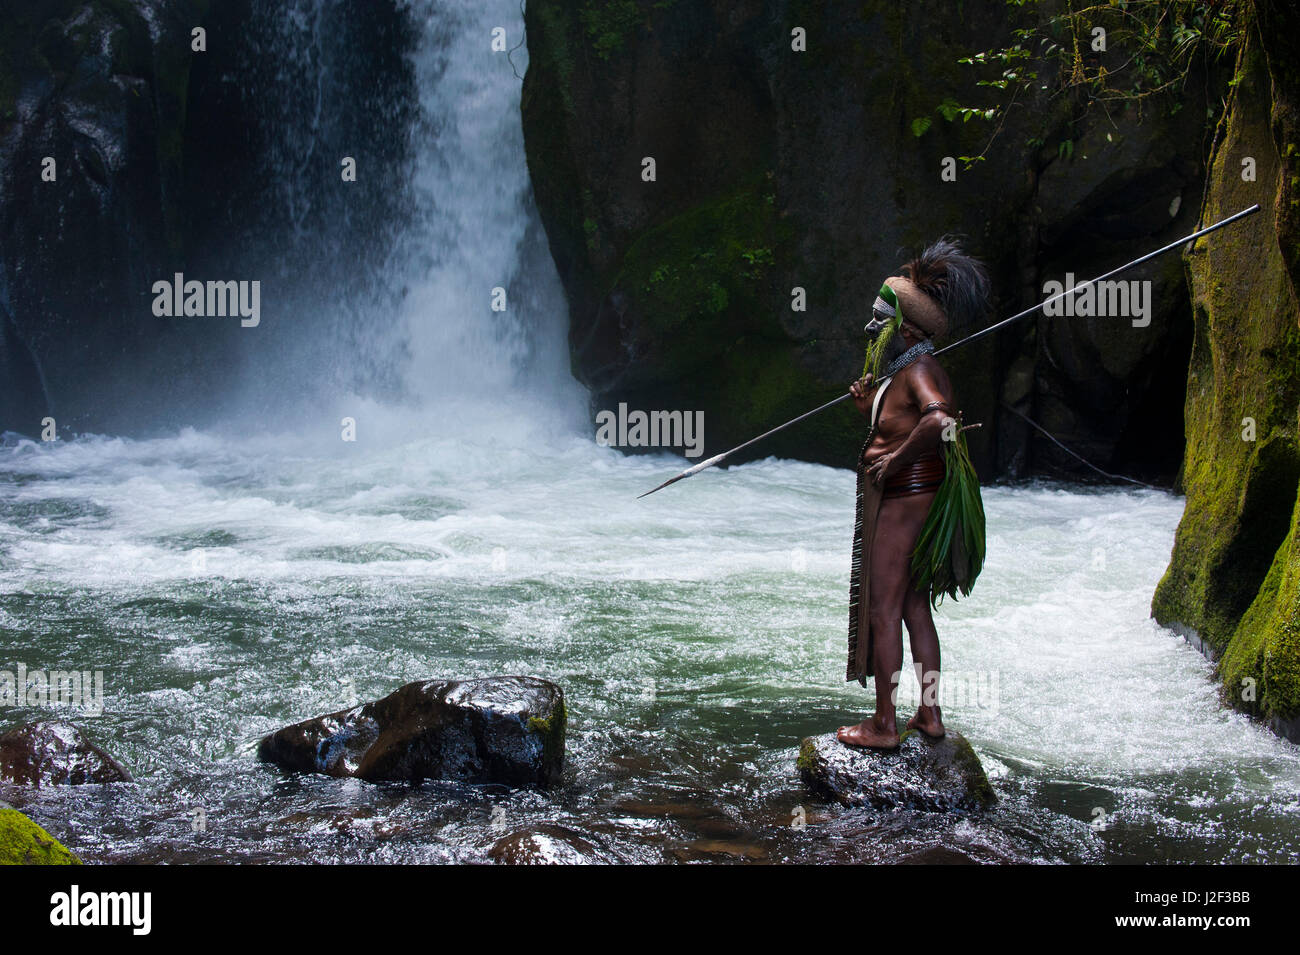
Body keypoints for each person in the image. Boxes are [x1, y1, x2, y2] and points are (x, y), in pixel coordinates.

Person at [838, 239, 990, 749]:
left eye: (880, 322)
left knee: (885, 608)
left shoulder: (921, 370)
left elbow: (941, 421)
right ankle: (928, 714)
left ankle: (883, 724)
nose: (871, 331)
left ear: (905, 329)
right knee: (913, 608)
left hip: (907, 500)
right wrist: (871, 416)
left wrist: (894, 461)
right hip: (912, 498)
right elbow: (906, 423)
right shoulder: (905, 371)